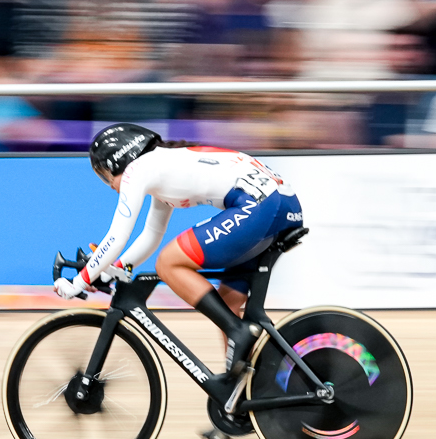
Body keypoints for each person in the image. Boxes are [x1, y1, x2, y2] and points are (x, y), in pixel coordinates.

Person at [56, 124, 303, 371]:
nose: (109, 184)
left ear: (121, 159)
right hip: (280, 203)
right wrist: (112, 270)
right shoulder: (159, 166)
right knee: (227, 305)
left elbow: (118, 234)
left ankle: (239, 332)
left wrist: (79, 281)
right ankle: (252, 389)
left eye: (106, 175)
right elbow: (151, 235)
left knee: (168, 263)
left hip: (260, 205)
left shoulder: (138, 169)